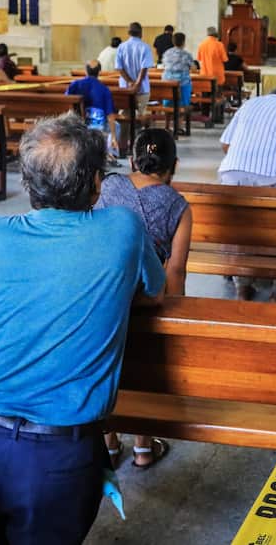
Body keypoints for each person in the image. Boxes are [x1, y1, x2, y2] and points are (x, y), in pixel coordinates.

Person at [0, 114, 164, 544]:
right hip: (59, 452)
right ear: (96, 184)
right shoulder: (122, 229)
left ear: (28, 183)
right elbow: (155, 289)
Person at [95, 128, 191, 470]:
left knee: (109, 365)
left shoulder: (108, 185)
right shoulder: (178, 205)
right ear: (174, 164)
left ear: (133, 160)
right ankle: (143, 448)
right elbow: (176, 270)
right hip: (146, 299)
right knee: (150, 368)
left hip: (102, 299)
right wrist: (175, 316)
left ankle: (108, 445)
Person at [219, 87, 276, 303]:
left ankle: (242, 287)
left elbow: (225, 144)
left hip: (231, 174)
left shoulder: (249, 104)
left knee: (241, 229)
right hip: (270, 177)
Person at [65, 60, 119, 161]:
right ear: (99, 72)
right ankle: (110, 155)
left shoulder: (75, 84)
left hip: (77, 123)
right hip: (97, 127)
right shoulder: (104, 89)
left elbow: (66, 103)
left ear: (85, 71)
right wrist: (114, 137)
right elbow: (110, 115)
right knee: (117, 126)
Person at [117, 22, 155, 115]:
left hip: (125, 88)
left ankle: (125, 130)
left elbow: (119, 68)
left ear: (128, 33)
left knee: (124, 116)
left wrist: (129, 82)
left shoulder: (121, 47)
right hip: (142, 88)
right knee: (141, 115)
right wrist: (137, 84)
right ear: (141, 33)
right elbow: (144, 68)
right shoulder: (145, 47)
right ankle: (140, 129)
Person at [161, 32, 196, 109]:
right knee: (183, 103)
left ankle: (168, 119)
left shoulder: (167, 53)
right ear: (183, 42)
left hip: (167, 83)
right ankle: (183, 111)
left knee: (168, 105)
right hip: (182, 83)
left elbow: (164, 65)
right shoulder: (186, 54)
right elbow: (194, 68)